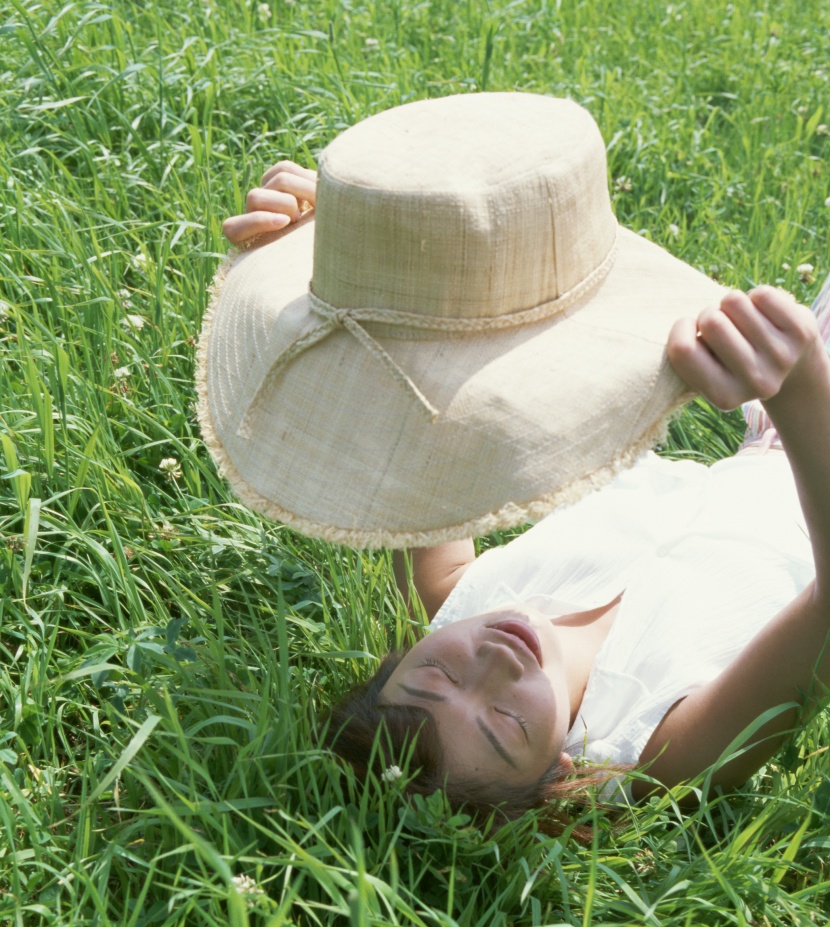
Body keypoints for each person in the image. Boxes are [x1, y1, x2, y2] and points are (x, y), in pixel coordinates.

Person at [217, 107, 830, 828]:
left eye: (435, 672)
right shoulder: (660, 747)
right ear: (558, 779)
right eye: (506, 723)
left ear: (402, 653)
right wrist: (798, 388)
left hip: (771, 436)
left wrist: (327, 244)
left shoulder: (456, 593)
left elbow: (406, 393)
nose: (493, 664)